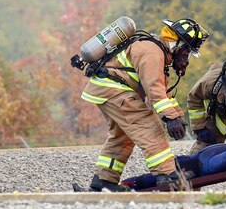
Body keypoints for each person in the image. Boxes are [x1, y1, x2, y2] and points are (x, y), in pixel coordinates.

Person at [76, 18, 210, 192]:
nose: (186, 59)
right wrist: (169, 119)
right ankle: (168, 176)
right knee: (150, 128)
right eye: (186, 52)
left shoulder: (157, 51)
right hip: (115, 91)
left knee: (121, 138)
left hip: (106, 90)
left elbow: (164, 91)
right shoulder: (152, 53)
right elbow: (155, 91)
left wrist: (177, 116)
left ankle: (104, 181)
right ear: (176, 44)